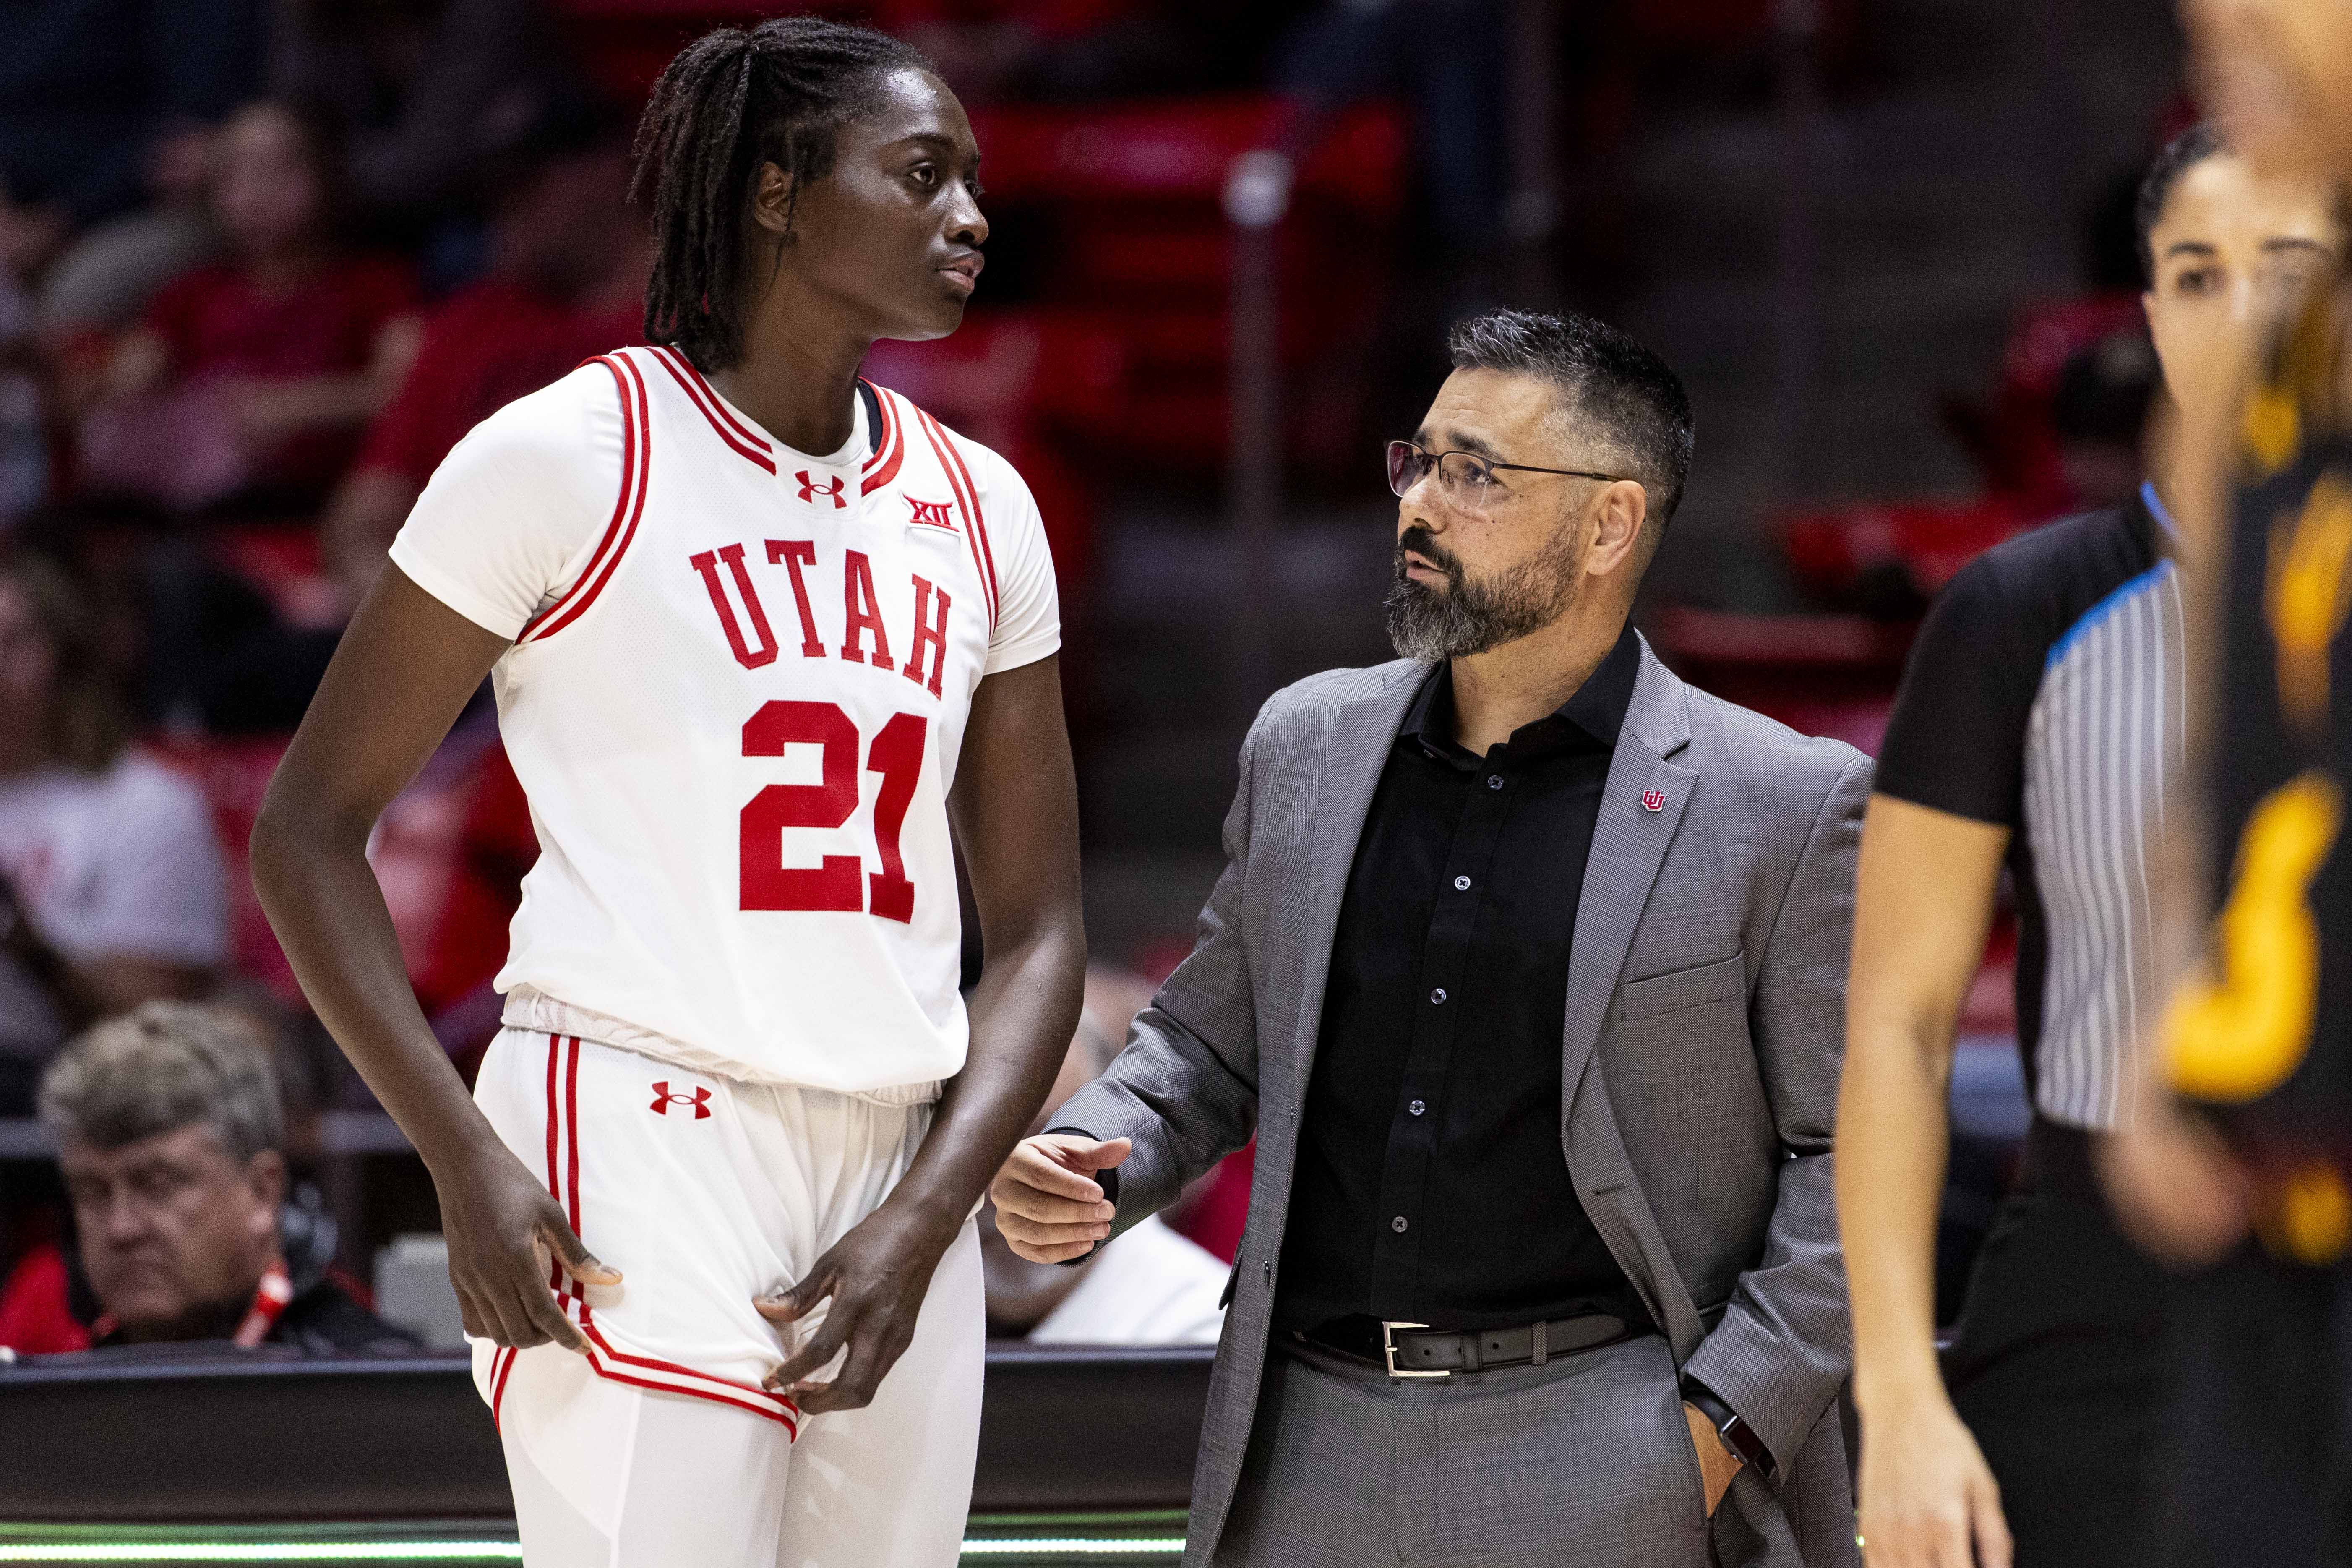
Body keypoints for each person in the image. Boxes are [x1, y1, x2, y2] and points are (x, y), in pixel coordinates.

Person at [249, 19, 1084, 1568]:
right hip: (636, 1125)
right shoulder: (567, 454)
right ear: (776, 190)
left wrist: (933, 1204)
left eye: (972, 181)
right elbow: (306, 830)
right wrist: (462, 1155)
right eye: (921, 175)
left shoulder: (984, 505)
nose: (970, 213)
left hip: (899, 1161)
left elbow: (1038, 928)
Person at [993, 308, 1867, 1568]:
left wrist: (1718, 1424)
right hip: (1303, 1439)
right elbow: (1203, 1046)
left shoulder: (1778, 800)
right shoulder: (1301, 744)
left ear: (1607, 524)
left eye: (1474, 475)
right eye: (1416, 461)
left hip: (1604, 1437)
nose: (1418, 506)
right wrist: (1092, 1149)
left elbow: (1850, 1162)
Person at [1838, 124, 2343, 1568]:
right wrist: (1898, 1387)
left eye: (2285, 269)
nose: (2235, 310)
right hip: (2095, 1277)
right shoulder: (2016, 611)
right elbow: (1894, 1015)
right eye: (2193, 275)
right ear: (2146, 316)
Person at [2099, 3, 2352, 1563]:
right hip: (2273, 1182)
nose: (2216, 34)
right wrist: (2150, 1035)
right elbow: (2212, 759)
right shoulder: (2259, 375)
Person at [318, 103, 647, 614]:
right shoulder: (466, 324)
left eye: (526, 186)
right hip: (457, 638)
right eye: (495, 193)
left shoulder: (699, 321)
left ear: (607, 173)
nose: (505, 212)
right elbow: (362, 520)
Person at [0, 1000, 413, 1354]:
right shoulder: (38, 1337)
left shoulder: (366, 1382)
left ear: (262, 1191)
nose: (121, 1227)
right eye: (92, 1192)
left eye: (158, 1184)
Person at [81, 100, 420, 511]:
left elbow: (408, 391)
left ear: (327, 177)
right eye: (236, 174)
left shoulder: (377, 285)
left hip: (325, 500)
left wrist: (286, 407)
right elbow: (126, 385)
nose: (258, 190)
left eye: (280, 169)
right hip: (207, 511)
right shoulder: (189, 295)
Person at [0, 554, 229, 1118]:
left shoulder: (146, 805)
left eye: (12, 642)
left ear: (68, 659)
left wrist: (28, 945)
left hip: (70, 1090)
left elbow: (148, 1027)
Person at [981, 968, 1226, 1345]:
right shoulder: (894, 1297)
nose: (1013, 1176)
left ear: (1118, 1141)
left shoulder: (1201, 1331)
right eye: (986, 1142)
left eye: (1052, 1139)